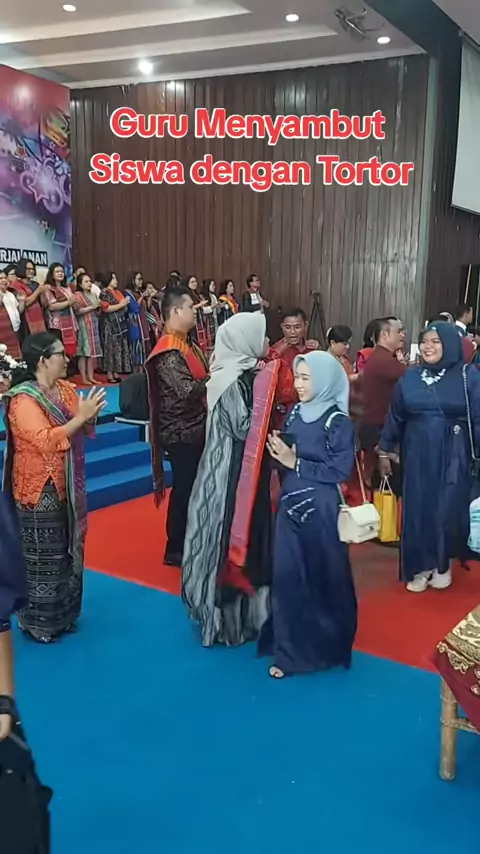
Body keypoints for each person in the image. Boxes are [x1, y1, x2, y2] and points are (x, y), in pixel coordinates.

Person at [182, 312, 279, 647]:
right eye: (262, 336)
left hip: (247, 471)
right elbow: (243, 428)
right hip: (230, 476)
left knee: (253, 537)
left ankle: (251, 617)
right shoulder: (230, 381)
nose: (268, 342)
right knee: (229, 539)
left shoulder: (243, 375)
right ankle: (227, 622)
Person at [258, 351, 357, 677]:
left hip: (319, 511)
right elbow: (288, 455)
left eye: (305, 378)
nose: (298, 385)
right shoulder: (296, 412)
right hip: (290, 506)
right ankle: (289, 649)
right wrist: (280, 453)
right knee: (288, 578)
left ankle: (319, 647)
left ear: (325, 380)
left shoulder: (338, 421)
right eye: (296, 377)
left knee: (319, 577)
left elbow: (339, 471)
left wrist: (295, 462)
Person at [2, 332, 106, 642]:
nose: (67, 358)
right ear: (43, 361)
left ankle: (64, 616)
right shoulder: (23, 399)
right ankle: (39, 623)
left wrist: (89, 417)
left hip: (66, 482)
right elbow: (45, 440)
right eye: (60, 353)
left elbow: (81, 427)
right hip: (38, 488)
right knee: (41, 557)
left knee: (65, 551)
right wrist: (80, 418)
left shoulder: (65, 389)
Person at [377, 321, 480, 592]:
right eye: (424, 341)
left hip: (454, 453)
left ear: (450, 344)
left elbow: (479, 418)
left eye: (435, 341)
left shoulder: (468, 376)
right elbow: (395, 416)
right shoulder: (410, 378)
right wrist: (385, 449)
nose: (428, 347)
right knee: (417, 508)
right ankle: (419, 567)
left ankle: (442, 564)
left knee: (446, 508)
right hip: (417, 453)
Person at [146, 285, 209, 567]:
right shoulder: (168, 351)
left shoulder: (187, 343)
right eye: (191, 308)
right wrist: (220, 374)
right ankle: (175, 547)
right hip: (180, 431)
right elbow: (188, 391)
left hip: (196, 426)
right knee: (184, 488)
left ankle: (192, 540)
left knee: (195, 486)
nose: (195, 312)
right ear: (175, 311)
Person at [358, 317, 406, 488]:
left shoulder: (381, 357)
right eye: (399, 331)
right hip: (380, 431)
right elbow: (411, 378)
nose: (403, 335)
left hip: (377, 428)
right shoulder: (384, 361)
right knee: (388, 486)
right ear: (384, 335)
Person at [267, 307, 319, 429]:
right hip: (284, 412)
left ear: (305, 325)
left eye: (297, 327)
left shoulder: (312, 349)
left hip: (310, 408)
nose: (293, 332)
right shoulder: (275, 352)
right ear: (282, 327)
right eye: (288, 327)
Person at [99, 271, 131, 383]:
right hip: (109, 324)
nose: (116, 280)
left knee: (118, 348)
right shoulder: (104, 293)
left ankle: (116, 372)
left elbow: (124, 305)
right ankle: (109, 374)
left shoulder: (118, 292)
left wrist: (123, 305)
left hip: (120, 323)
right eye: (113, 278)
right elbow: (106, 308)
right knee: (110, 348)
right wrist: (121, 304)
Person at [43, 262, 78, 358]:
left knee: (70, 353)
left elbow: (73, 302)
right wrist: (68, 302)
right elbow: (51, 306)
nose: (60, 273)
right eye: (57, 271)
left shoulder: (66, 288)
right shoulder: (48, 288)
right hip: (57, 326)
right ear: (52, 274)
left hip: (70, 322)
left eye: (62, 271)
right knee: (59, 351)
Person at [75, 272, 102, 384]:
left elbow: (98, 312)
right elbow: (78, 311)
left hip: (94, 324)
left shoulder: (94, 295)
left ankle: (90, 376)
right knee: (83, 352)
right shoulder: (77, 295)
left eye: (90, 281)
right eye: (86, 281)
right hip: (83, 325)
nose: (89, 283)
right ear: (80, 284)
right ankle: (83, 377)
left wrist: (99, 308)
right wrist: (92, 307)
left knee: (91, 353)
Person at [10, 260, 47, 337]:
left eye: (32, 269)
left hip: (39, 318)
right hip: (25, 321)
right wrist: (38, 291)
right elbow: (25, 303)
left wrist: (43, 292)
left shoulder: (36, 284)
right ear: (22, 269)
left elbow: (43, 304)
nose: (31, 271)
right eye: (28, 269)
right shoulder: (16, 285)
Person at [125, 270, 151, 370]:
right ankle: (136, 371)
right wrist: (142, 297)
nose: (141, 281)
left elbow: (146, 308)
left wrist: (149, 297)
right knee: (136, 346)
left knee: (144, 346)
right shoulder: (128, 293)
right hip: (135, 324)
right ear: (133, 280)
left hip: (143, 321)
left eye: (141, 279)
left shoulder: (139, 292)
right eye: (139, 279)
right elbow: (134, 308)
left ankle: (142, 369)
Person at [0, 270, 22, 359]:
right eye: (0, 278)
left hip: (14, 331)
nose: (4, 280)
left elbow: (19, 311)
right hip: (2, 334)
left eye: (5, 278)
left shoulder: (10, 294)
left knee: (15, 360)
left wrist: (22, 301)